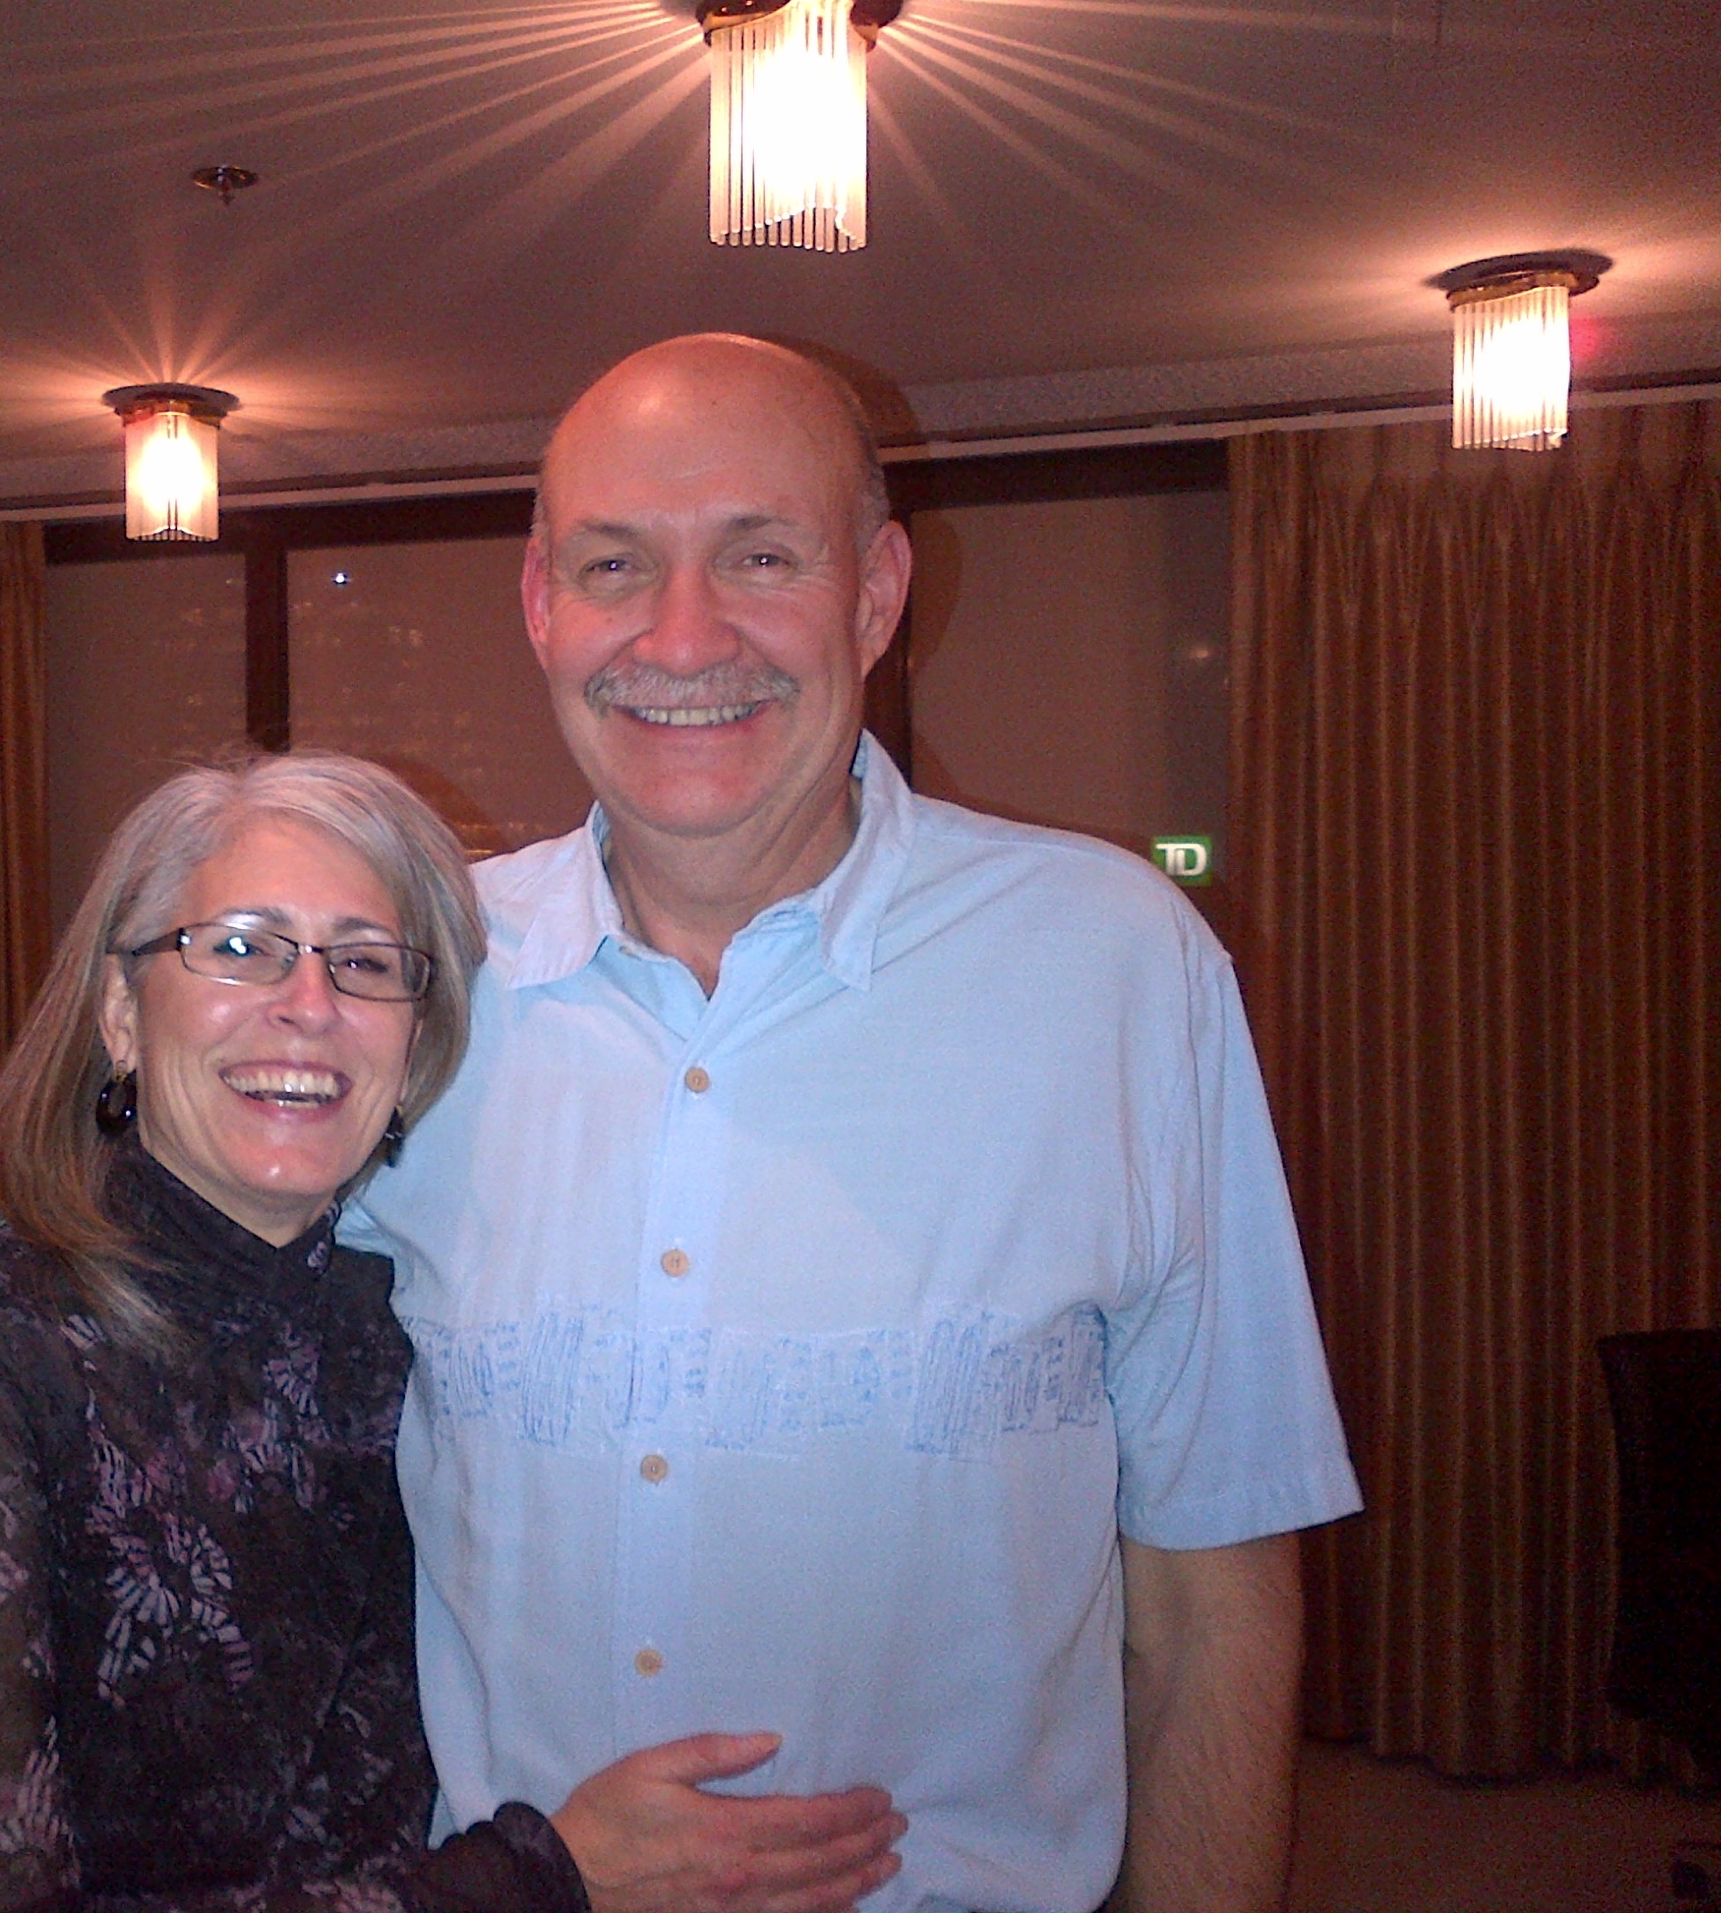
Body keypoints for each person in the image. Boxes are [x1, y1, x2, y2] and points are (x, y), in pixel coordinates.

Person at [347, 335, 1363, 1913]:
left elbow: (1213, 1585)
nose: (685, 637)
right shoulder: (401, 985)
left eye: (761, 557)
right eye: (617, 565)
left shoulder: (1116, 968)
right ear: (542, 602)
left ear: (879, 595)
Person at [0, 752, 907, 1913]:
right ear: (120, 1014)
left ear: (415, 1048)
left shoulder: (407, 1335)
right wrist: (542, 1879)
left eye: (364, 963)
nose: (309, 1005)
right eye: (241, 947)